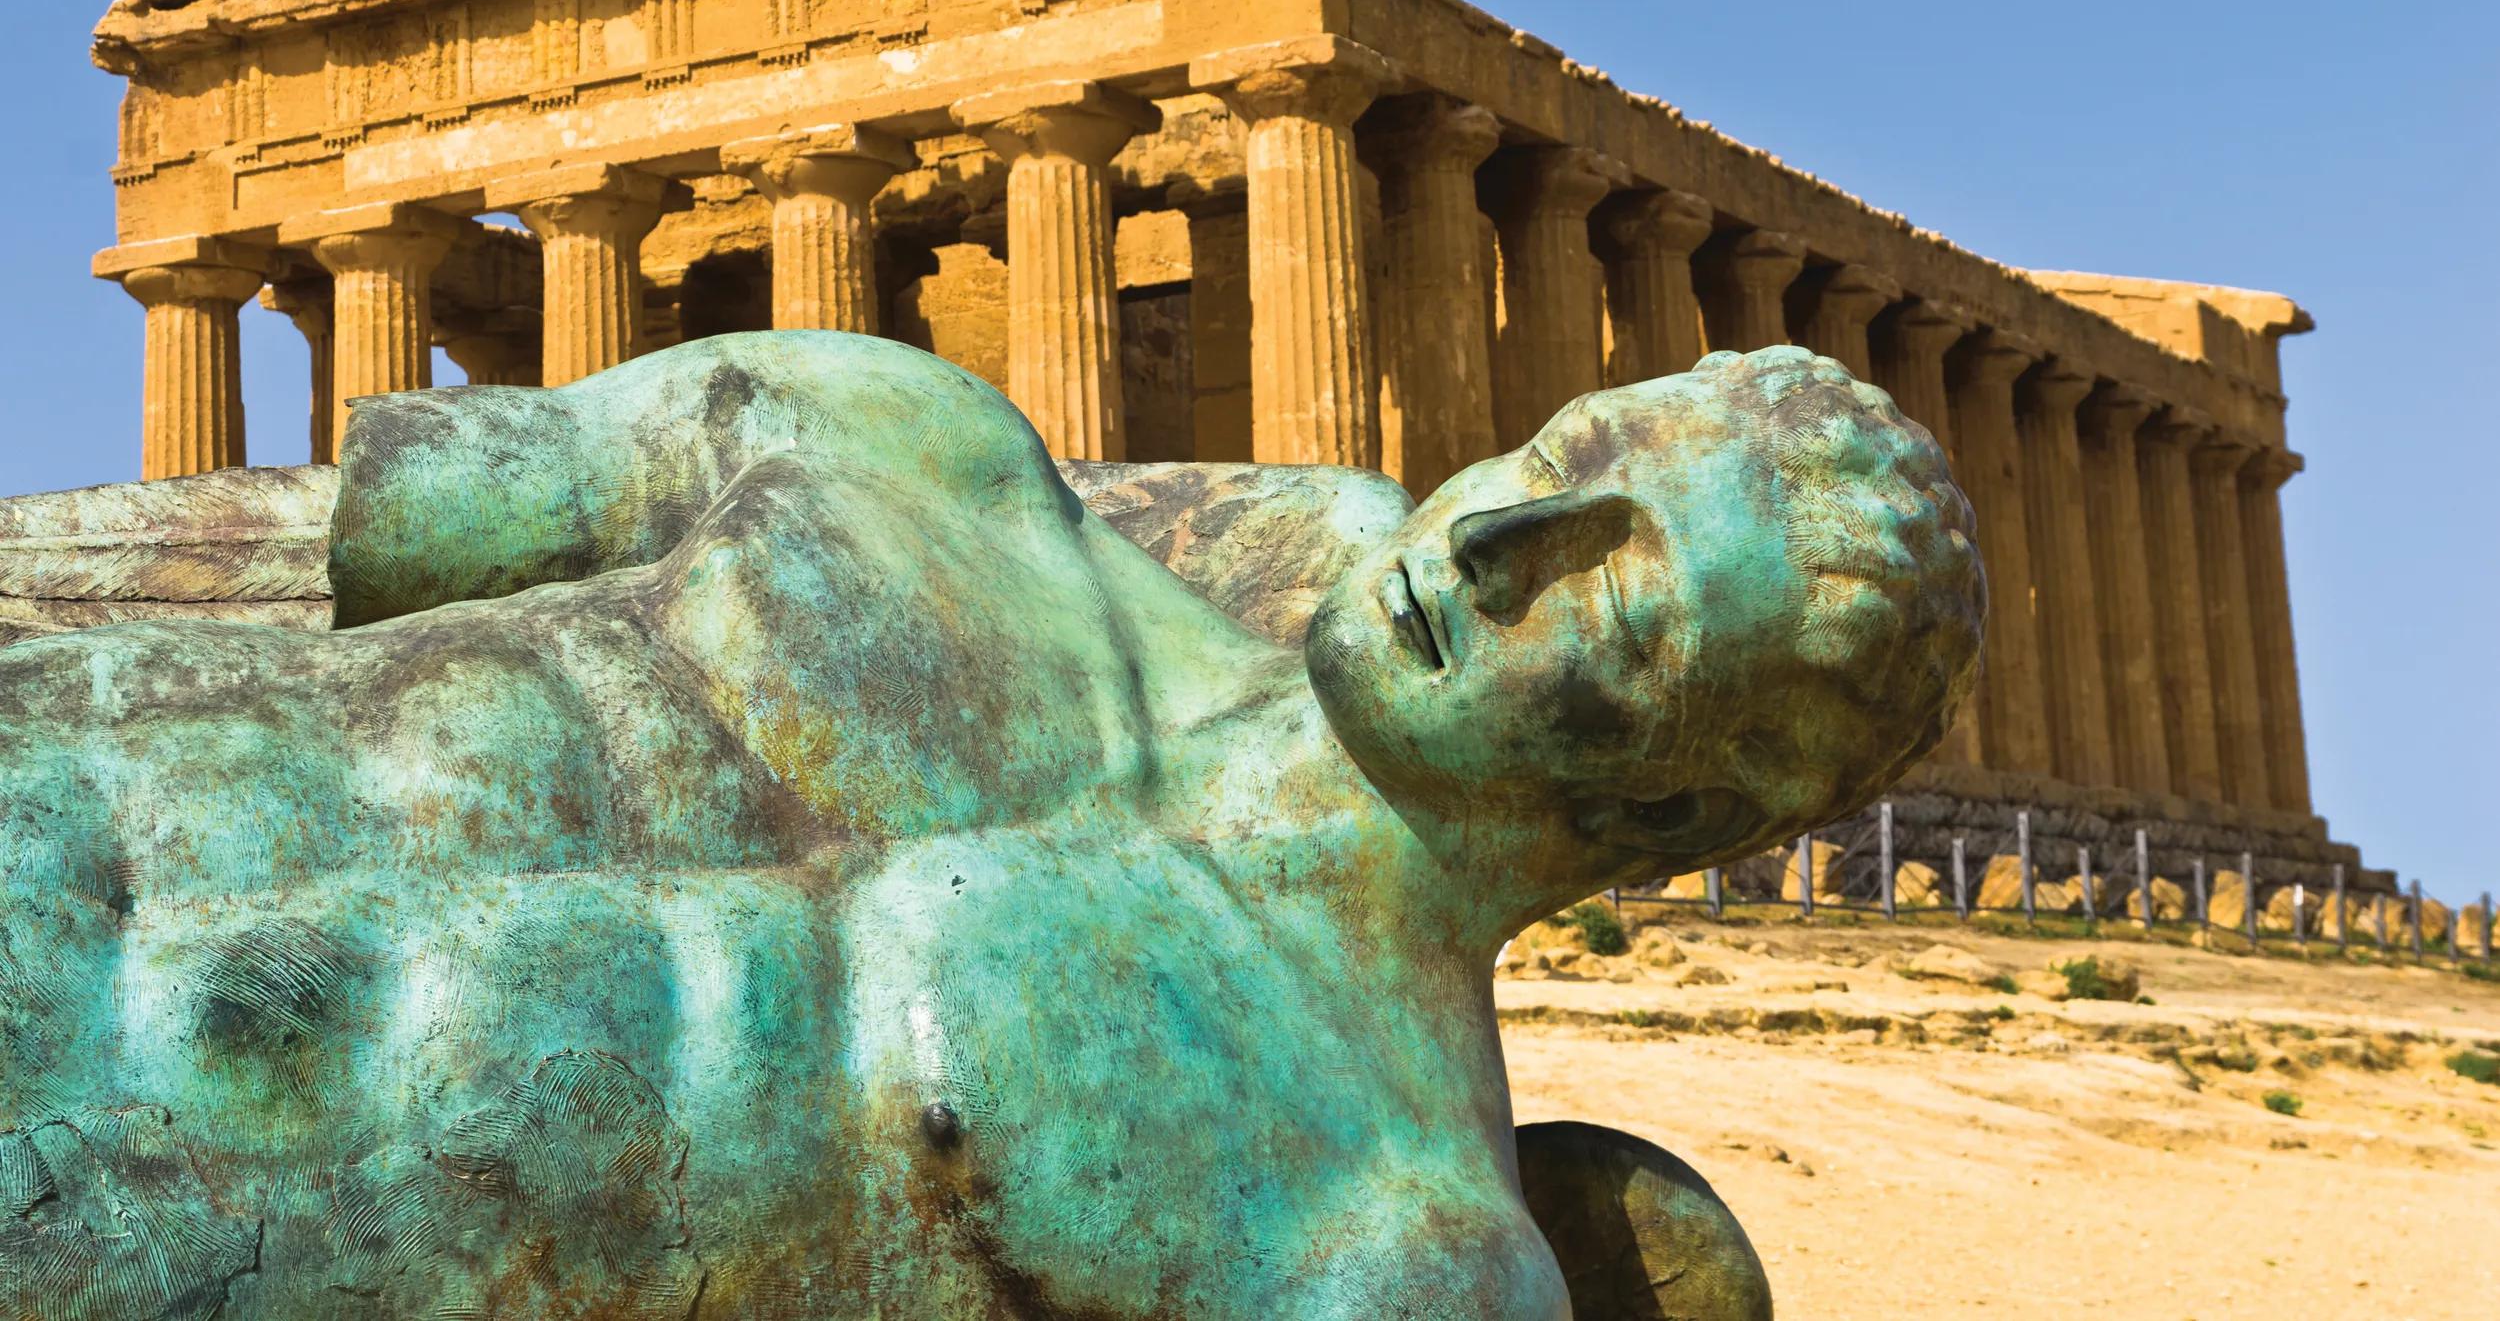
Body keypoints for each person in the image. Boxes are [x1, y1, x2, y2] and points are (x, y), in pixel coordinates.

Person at [0, 332, 1981, 1318]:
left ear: (1684, 802)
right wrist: (1207, 510)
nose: (1493, 539)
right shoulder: (901, 435)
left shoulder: (1387, 1237)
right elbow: (254, 546)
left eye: (1612, 593)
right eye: (1557, 458)